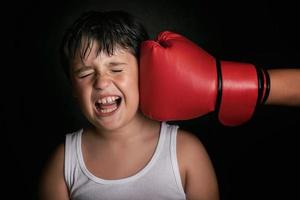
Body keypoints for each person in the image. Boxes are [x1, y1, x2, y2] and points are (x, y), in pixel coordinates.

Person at [39, 10, 219, 200]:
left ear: (145, 71)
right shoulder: (64, 163)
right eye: (85, 74)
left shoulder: (186, 152)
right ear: (74, 89)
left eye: (116, 69)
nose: (101, 82)